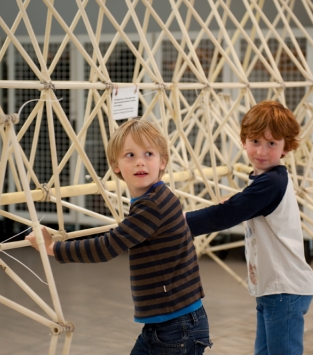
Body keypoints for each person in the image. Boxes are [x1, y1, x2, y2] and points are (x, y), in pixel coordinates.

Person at [26, 119, 212, 354]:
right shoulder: (155, 198)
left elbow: (108, 246)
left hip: (176, 325)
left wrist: (53, 248)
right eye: (130, 155)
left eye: (148, 153)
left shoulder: (153, 205)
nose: (140, 161)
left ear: (163, 160)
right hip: (169, 322)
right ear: (115, 165)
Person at [185, 100, 313, 355]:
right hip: (273, 289)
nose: (262, 151)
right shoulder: (267, 179)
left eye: (272, 143)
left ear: (286, 147)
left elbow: (224, 215)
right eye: (255, 141)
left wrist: (178, 222)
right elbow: (242, 203)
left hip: (284, 290)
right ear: (244, 141)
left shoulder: (271, 182)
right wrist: (236, 201)